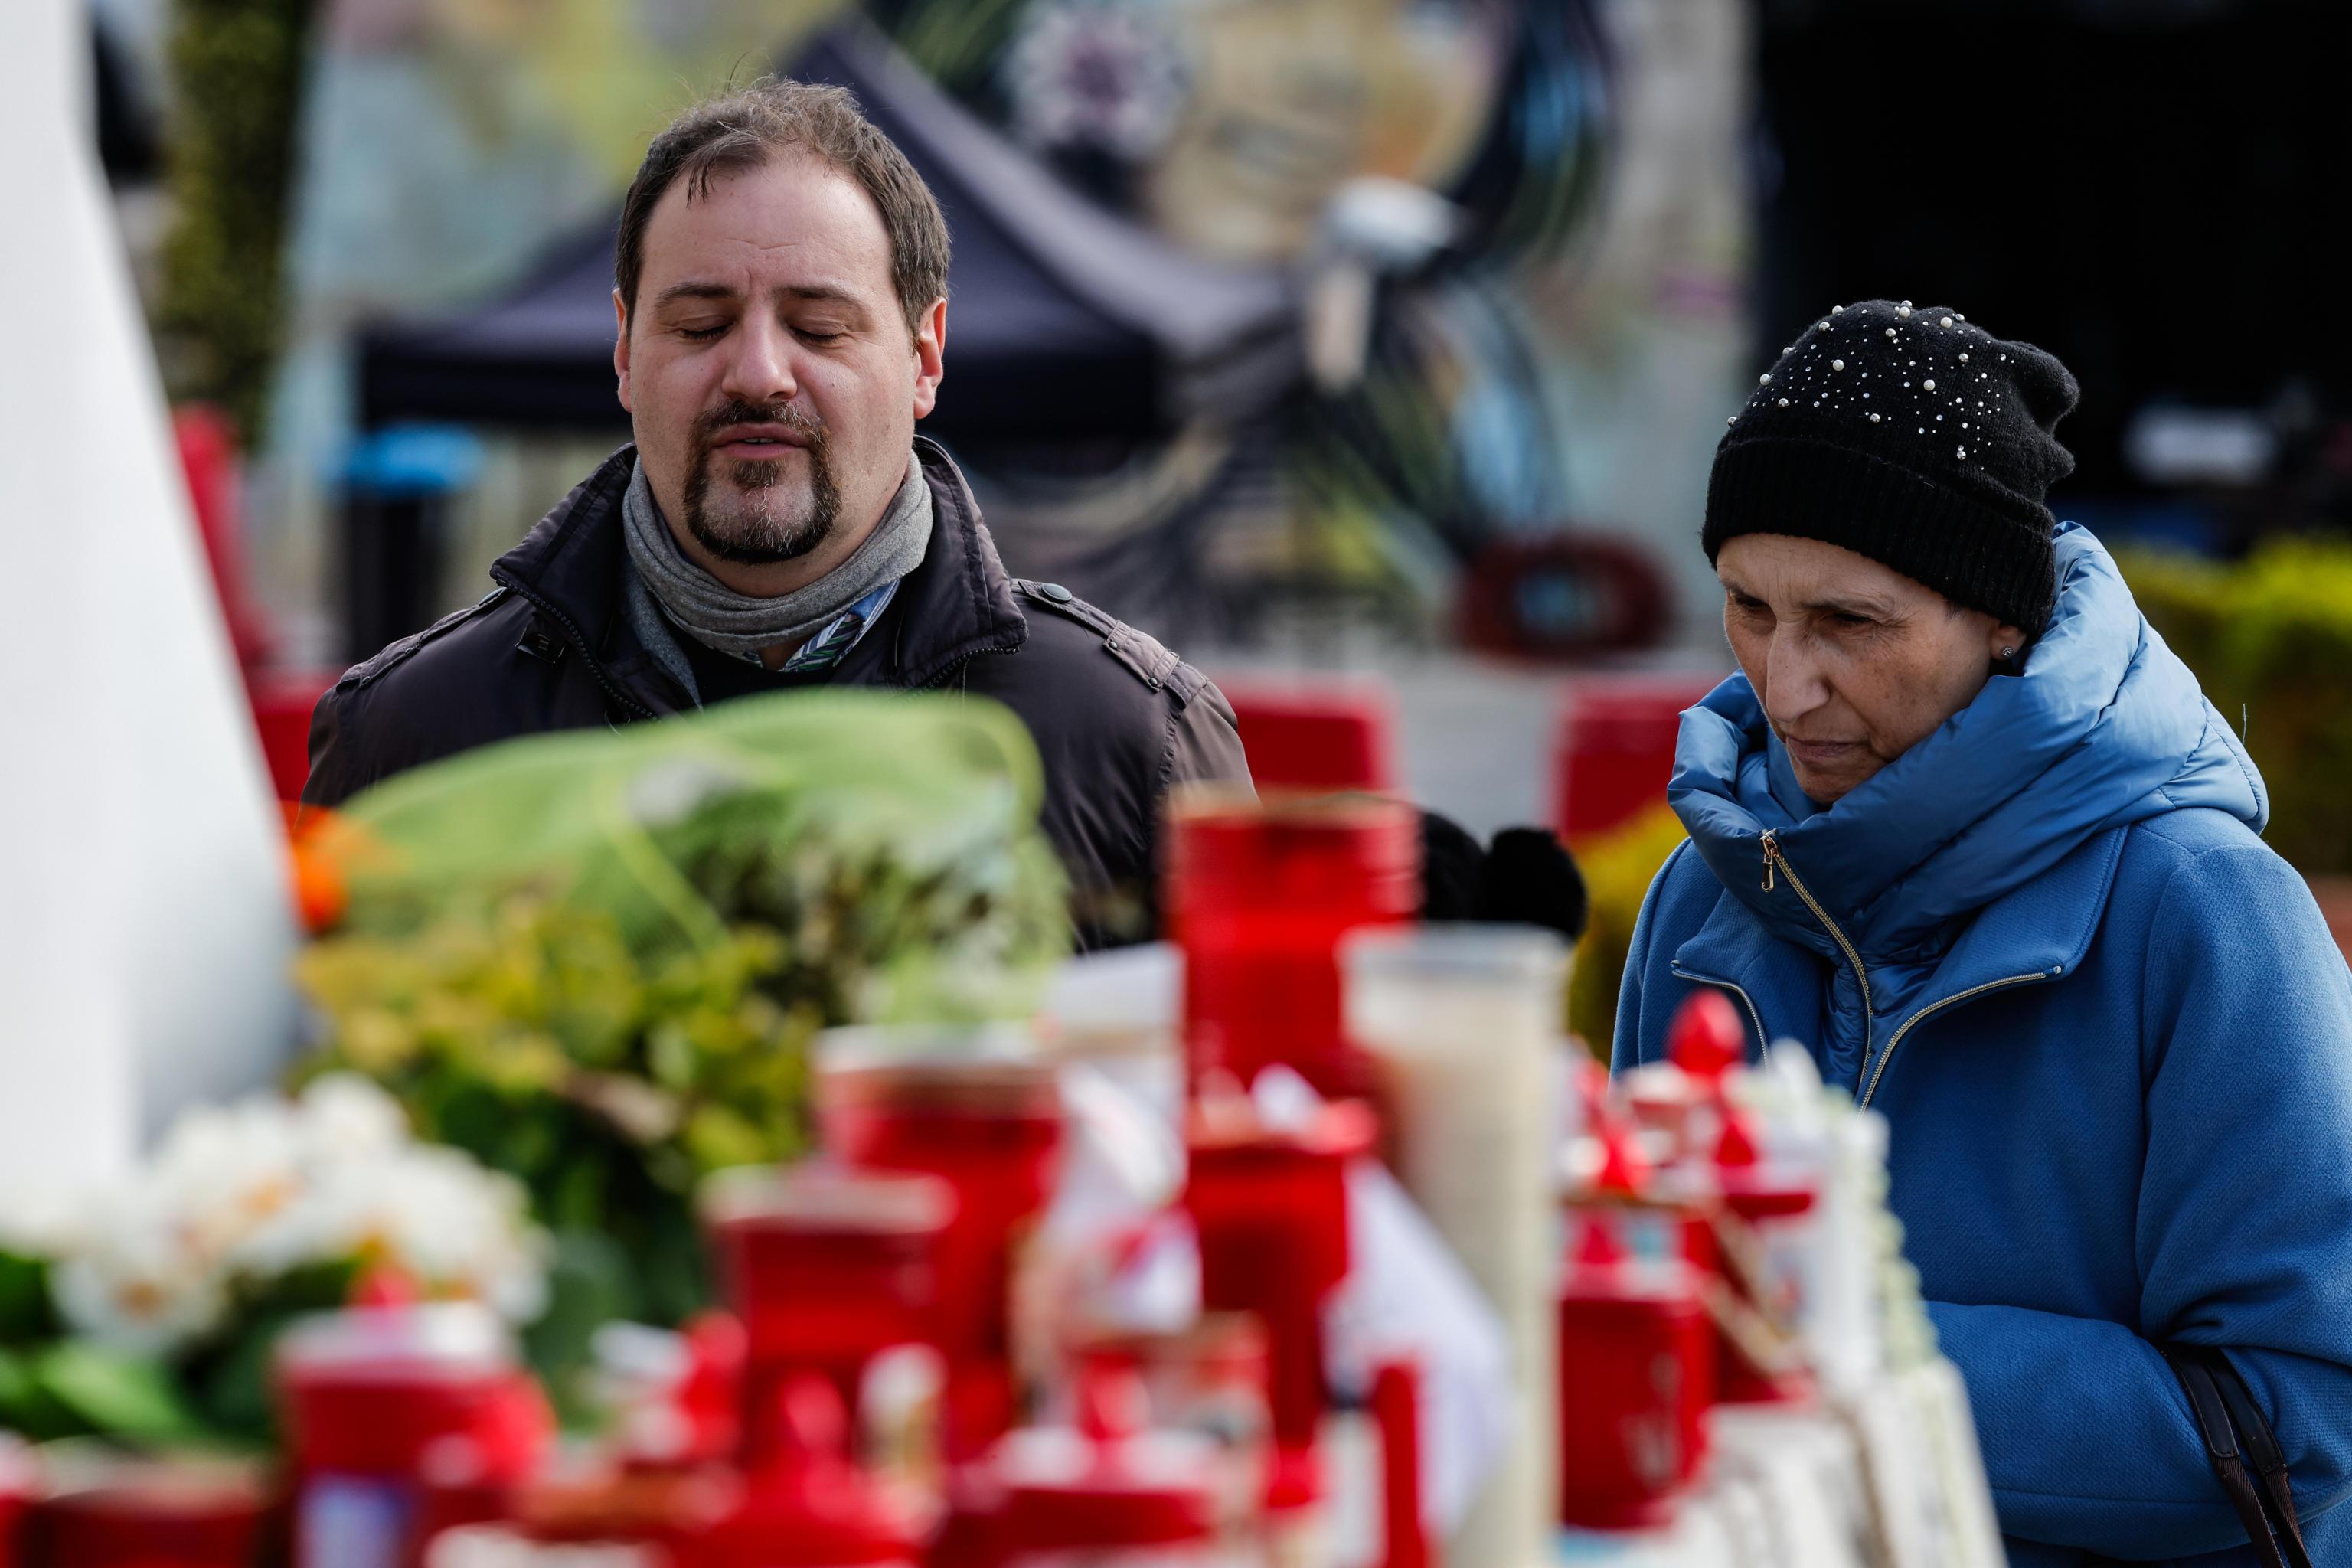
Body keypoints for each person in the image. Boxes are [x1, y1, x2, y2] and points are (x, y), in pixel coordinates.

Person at [1613, 300, 2352, 1566]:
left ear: (2000, 618)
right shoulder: (1697, 896)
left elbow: (2299, 1435)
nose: (1784, 685)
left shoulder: (2210, 912)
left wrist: (1843, 1349)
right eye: (1748, 607)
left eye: (1848, 622)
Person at [303, 79, 1253, 945]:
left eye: (818, 326)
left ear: (925, 357)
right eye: (702, 324)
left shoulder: (1136, 743)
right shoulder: (411, 736)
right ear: (626, 350)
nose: (758, 373)